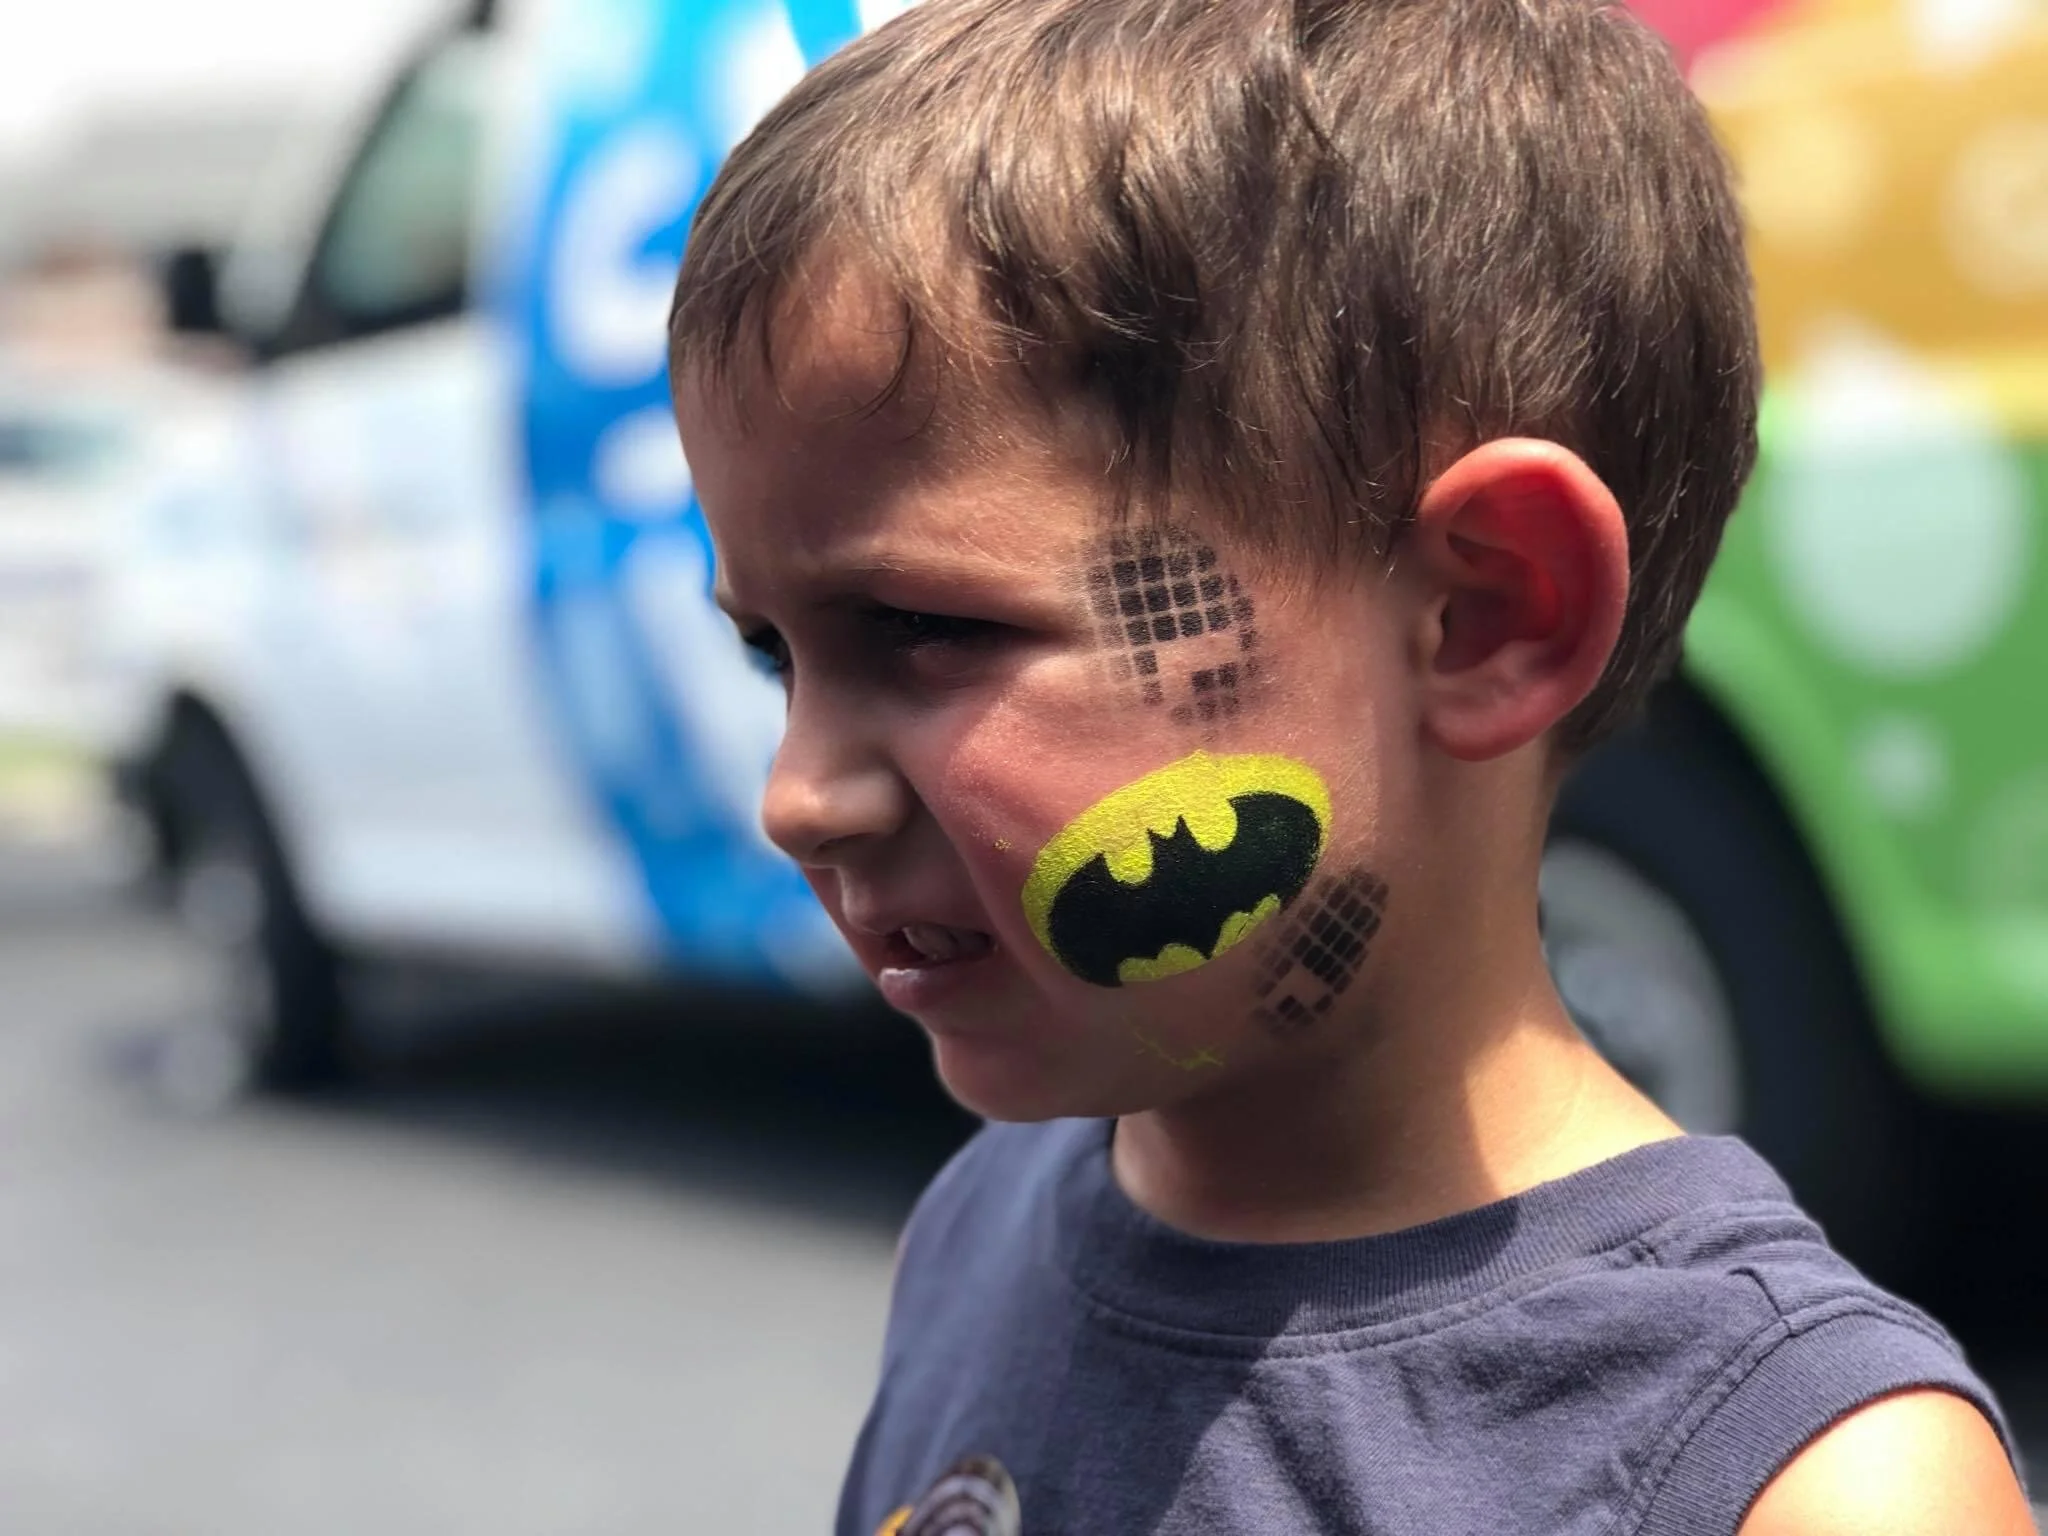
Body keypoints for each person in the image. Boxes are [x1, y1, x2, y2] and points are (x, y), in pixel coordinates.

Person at [665, 1, 2035, 1531]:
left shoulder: (1799, 1481)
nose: (798, 796)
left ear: (1483, 615)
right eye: (775, 654)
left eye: (923, 629)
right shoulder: (985, 1225)